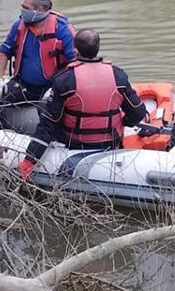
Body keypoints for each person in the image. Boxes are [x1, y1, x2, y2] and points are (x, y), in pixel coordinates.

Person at [17, 28, 148, 181]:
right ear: (98, 49)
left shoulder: (64, 80)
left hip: (75, 143)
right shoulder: (118, 76)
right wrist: (122, 121)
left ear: (75, 52)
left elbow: (48, 125)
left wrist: (29, 160)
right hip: (110, 142)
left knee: (44, 109)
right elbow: (138, 113)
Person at [0, 0, 76, 121]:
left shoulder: (62, 29)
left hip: (53, 88)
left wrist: (58, 88)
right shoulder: (19, 26)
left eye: (25, 7)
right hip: (25, 86)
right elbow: (3, 52)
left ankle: (49, 138)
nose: (22, 10)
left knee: (48, 110)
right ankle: (0, 132)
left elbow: (75, 63)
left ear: (39, 9)